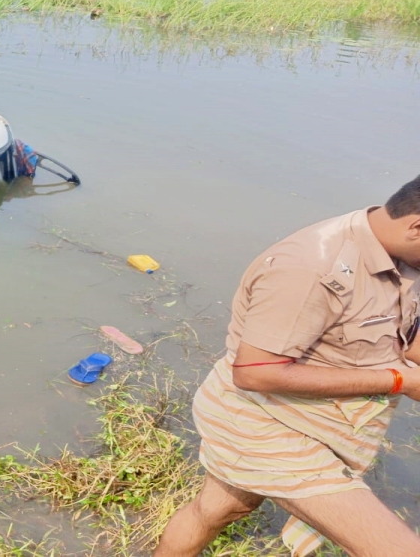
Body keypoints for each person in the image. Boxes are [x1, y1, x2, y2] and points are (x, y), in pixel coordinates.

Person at [154, 175, 420, 557]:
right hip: (262, 421)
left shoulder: (405, 257)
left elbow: (406, 334)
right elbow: (255, 372)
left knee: (219, 509)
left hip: (317, 420)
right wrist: (399, 381)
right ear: (416, 226)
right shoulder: (313, 266)